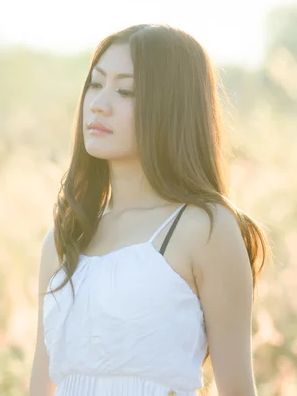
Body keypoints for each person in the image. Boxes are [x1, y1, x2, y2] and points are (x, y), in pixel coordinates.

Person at [28, 24, 269, 396]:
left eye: (125, 90)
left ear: (172, 106)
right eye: (95, 84)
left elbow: (237, 390)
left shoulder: (205, 228)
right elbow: (41, 386)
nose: (99, 103)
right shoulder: (65, 237)